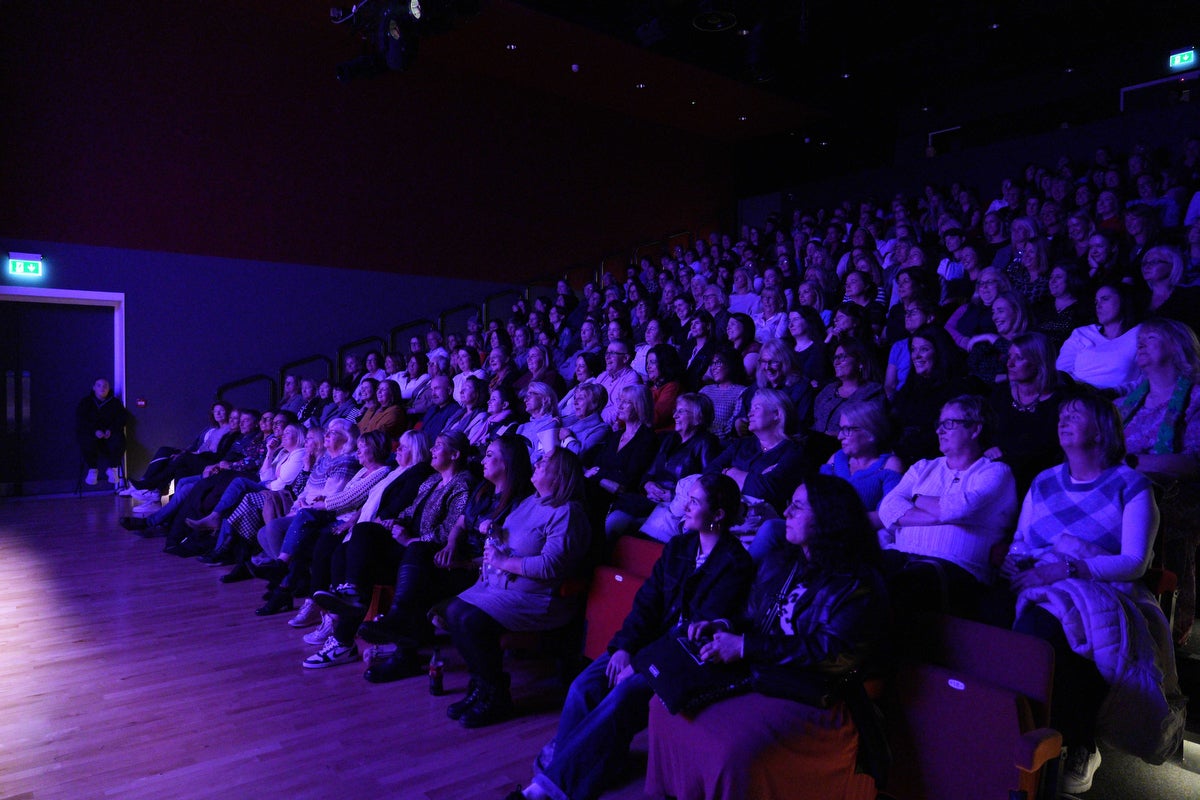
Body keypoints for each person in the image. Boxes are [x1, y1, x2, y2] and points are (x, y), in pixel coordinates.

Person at [508, 474, 755, 800]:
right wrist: (625, 648)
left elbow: (693, 633)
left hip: (684, 661)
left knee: (623, 695)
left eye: (694, 502)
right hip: (647, 647)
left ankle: (545, 790)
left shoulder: (735, 564)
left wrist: (639, 663)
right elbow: (647, 605)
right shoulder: (679, 547)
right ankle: (569, 775)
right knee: (583, 686)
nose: (684, 506)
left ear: (719, 514)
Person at [645, 474, 890, 800]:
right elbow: (751, 616)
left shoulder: (859, 583)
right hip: (763, 672)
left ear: (829, 517)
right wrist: (721, 625)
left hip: (816, 691)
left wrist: (746, 646)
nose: (786, 512)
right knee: (663, 705)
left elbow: (833, 653)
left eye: (798, 506)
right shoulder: (784, 561)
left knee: (730, 750)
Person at [1002, 392, 1184, 794]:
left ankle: (1074, 741)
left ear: (1101, 428)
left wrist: (1067, 566)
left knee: (1059, 631)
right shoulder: (1045, 480)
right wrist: (1017, 563)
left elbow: (1134, 561)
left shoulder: (1132, 486)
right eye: (1062, 414)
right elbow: (1020, 541)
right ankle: (1004, 736)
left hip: (1103, 586)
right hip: (1041, 580)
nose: (1063, 419)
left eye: (1075, 414)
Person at [443, 447, 592, 728]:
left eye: (545, 462)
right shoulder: (529, 502)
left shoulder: (567, 513)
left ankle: (496, 694)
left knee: (471, 620)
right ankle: (481, 686)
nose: (537, 463)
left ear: (560, 474)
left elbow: (551, 567)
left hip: (537, 598)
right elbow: (512, 539)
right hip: (500, 588)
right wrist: (496, 534)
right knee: (454, 612)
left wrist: (505, 561)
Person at [877, 395, 1019, 619]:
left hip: (957, 570)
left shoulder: (995, 472)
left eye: (949, 424)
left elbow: (959, 509)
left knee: (900, 586)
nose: (939, 431)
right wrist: (937, 515)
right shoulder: (922, 467)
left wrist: (915, 498)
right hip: (901, 556)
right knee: (858, 573)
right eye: (939, 424)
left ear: (975, 429)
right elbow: (887, 509)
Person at [1117, 318, 1200, 644]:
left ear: (1176, 346)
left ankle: (1164, 627)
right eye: (1140, 338)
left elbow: (1194, 462)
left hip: (1174, 493)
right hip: (1126, 488)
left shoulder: (1195, 397)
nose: (1141, 342)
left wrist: (1133, 462)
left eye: (1151, 338)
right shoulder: (1128, 402)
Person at [987, 332, 1065, 495]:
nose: (1010, 364)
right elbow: (984, 432)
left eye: (1019, 358)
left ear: (1039, 362)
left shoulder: (1061, 401)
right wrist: (988, 448)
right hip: (993, 473)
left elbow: (1049, 451)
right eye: (1009, 357)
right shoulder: (1000, 394)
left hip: (1037, 480)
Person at [1056, 281, 1142, 391]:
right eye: (1096, 302)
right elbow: (1061, 372)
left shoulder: (1139, 334)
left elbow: (1146, 380)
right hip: (1075, 395)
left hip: (1115, 400)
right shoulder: (1082, 333)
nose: (1098, 306)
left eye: (1105, 299)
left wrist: (1114, 393)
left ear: (1123, 300)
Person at [76, 378, 127, 487]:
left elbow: (122, 418)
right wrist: (95, 431)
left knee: (120, 440)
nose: (102, 388)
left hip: (110, 436)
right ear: (94, 387)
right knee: (84, 439)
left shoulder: (115, 403)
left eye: (105, 386)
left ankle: (113, 469)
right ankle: (93, 469)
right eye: (99, 385)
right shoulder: (86, 402)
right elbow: (81, 420)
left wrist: (111, 430)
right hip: (92, 435)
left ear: (109, 388)